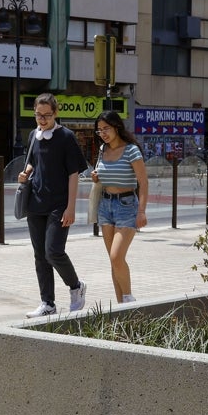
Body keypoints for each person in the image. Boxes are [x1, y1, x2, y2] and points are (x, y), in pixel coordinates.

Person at [18, 93, 88, 318]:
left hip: (59, 204)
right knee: (40, 256)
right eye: (38, 114)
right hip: (35, 203)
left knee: (53, 251)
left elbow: (74, 173)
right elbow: (32, 162)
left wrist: (71, 207)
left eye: (47, 115)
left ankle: (76, 286)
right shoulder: (33, 135)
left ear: (55, 113)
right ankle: (47, 303)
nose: (42, 119)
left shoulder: (66, 137)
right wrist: (26, 172)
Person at [90, 110, 148, 303]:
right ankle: (120, 306)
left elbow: (143, 181)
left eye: (106, 128)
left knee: (116, 257)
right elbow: (102, 175)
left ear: (117, 127)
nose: (103, 133)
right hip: (105, 205)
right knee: (113, 262)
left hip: (127, 206)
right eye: (99, 130)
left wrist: (141, 211)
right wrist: (97, 177)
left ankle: (129, 299)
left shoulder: (131, 150)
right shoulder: (102, 150)